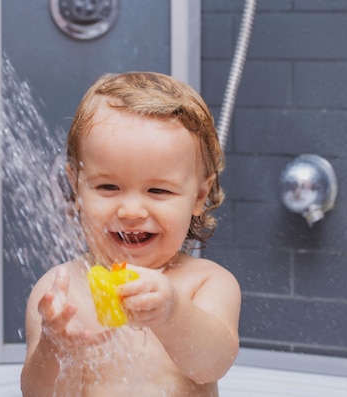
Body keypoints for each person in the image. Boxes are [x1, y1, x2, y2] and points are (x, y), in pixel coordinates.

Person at [20, 71, 241, 397]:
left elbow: (211, 365)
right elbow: (37, 394)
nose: (131, 211)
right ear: (75, 187)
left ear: (198, 197)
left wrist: (172, 313)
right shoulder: (59, 293)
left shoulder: (205, 284)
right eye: (108, 187)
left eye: (158, 190)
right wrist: (53, 349)